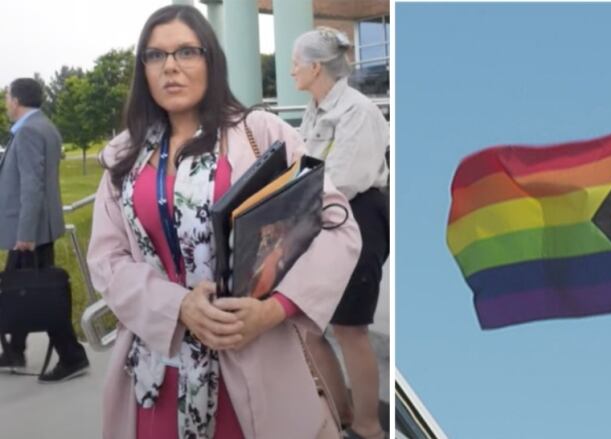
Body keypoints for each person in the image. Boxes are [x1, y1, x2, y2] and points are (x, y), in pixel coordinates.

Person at [86, 6, 361, 439]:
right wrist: (175, 306)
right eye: (155, 56)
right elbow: (106, 256)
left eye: (186, 52)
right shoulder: (124, 155)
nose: (170, 67)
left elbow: (338, 225)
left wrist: (275, 308)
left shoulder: (262, 133)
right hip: (157, 374)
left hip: (255, 363)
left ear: (211, 60)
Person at [293, 27, 390, 439]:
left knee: (350, 328)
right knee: (310, 326)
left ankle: (368, 427)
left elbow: (345, 179)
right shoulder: (315, 109)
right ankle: (342, 412)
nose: (291, 69)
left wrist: (294, 198)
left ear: (315, 67)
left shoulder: (359, 111)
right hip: (318, 218)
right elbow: (301, 161)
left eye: (296, 62)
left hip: (358, 217)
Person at [0, 78, 90, 382]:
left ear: (17, 100)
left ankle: (72, 355)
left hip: (29, 233)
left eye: (8, 97)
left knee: (38, 292)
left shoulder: (27, 131)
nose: (6, 102)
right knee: (20, 286)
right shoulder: (45, 126)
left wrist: (24, 234)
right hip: (40, 228)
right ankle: (15, 348)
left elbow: (32, 186)